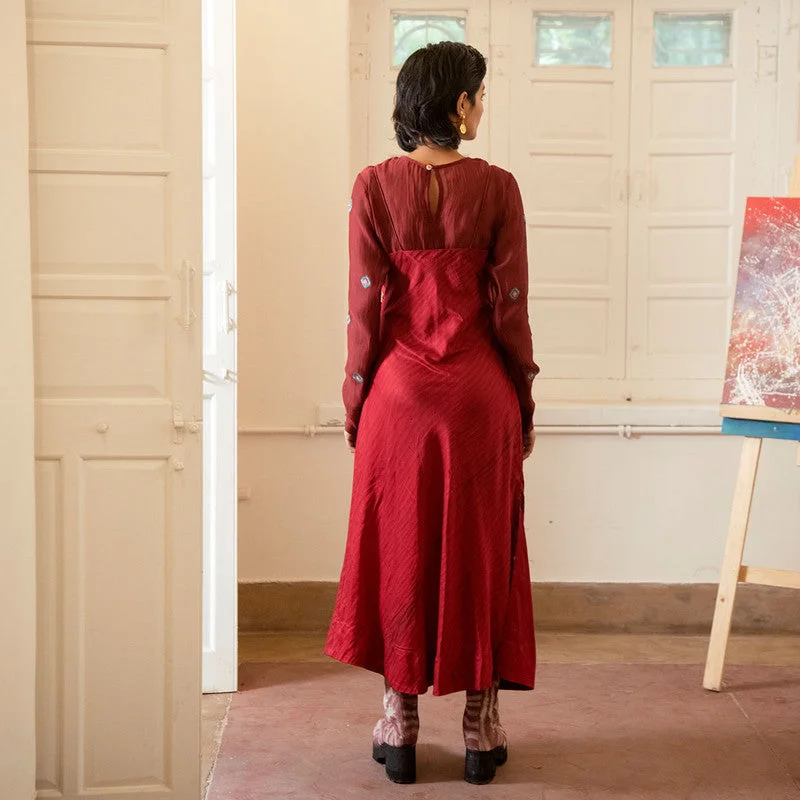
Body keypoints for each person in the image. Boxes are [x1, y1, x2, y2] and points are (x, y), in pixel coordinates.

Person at [324, 40, 539, 786]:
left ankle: (400, 721)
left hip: (400, 401)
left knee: (401, 552)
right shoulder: (500, 189)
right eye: (479, 94)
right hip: (481, 398)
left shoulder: (373, 187)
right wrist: (525, 397)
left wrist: (357, 402)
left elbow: (363, 312)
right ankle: (482, 728)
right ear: (458, 105)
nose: (483, 107)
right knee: (484, 552)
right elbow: (510, 310)